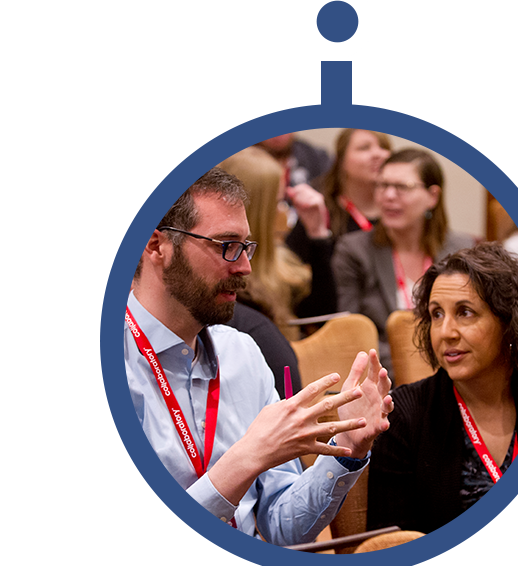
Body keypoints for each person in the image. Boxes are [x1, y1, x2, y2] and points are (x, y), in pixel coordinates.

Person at [126, 168, 393, 546]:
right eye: (226, 245)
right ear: (156, 246)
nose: (245, 267)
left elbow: (282, 526)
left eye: (246, 246)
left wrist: (346, 450)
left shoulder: (242, 353)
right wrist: (247, 460)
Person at [366, 242, 518, 535]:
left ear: (509, 321)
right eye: (436, 314)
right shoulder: (404, 417)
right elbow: (390, 549)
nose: (446, 332)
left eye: (465, 312)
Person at [331, 148, 476, 372]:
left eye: (402, 187)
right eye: (382, 185)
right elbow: (352, 334)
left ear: (432, 196)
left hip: (453, 372)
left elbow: (473, 324)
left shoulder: (463, 250)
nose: (388, 196)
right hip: (386, 378)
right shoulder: (354, 251)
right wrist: (411, 366)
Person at [286, 129, 393, 318]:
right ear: (341, 161)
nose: (378, 154)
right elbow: (292, 275)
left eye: (383, 147)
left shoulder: (397, 213)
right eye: (364, 148)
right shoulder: (318, 211)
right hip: (336, 319)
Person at [217, 147, 312, 338]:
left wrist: (317, 234)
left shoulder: (281, 259)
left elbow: (321, 314)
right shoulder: (235, 293)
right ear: (257, 213)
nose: (283, 213)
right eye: (277, 203)